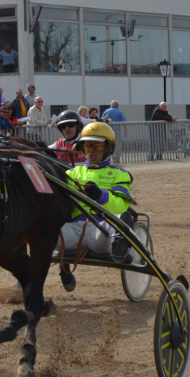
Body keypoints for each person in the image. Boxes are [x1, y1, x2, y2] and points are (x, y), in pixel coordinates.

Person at [55, 122, 134, 291]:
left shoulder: (121, 175)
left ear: (108, 148)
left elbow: (121, 205)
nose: (91, 151)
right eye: (88, 146)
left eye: (97, 147)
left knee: (118, 220)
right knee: (46, 230)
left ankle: (120, 242)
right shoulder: (71, 174)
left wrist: (101, 196)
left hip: (100, 231)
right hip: (72, 231)